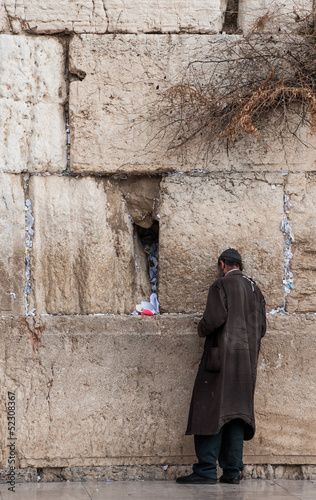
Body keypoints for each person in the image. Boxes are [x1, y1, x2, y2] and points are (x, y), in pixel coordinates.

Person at [176, 248, 266, 485]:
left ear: (222, 264)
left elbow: (214, 319)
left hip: (220, 362)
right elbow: (262, 329)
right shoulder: (255, 289)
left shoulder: (221, 286)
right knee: (237, 415)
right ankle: (232, 472)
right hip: (246, 365)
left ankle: (206, 469)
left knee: (209, 409)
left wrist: (201, 328)